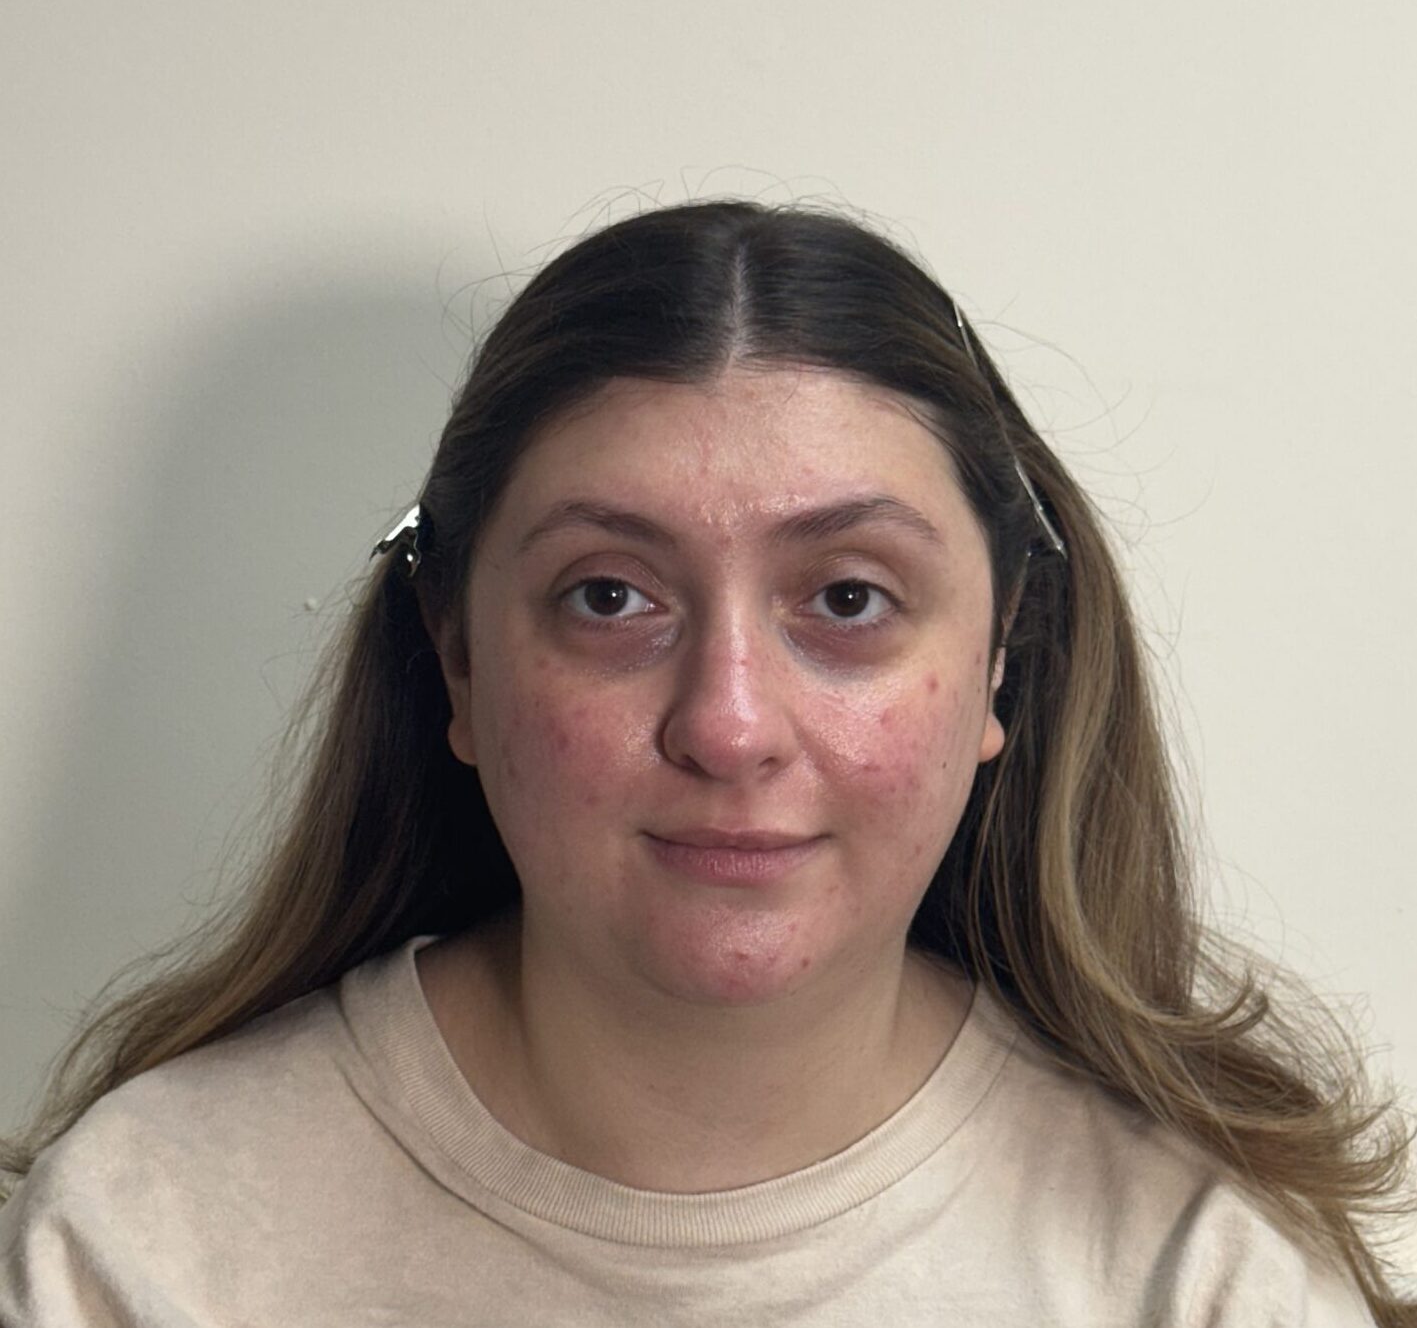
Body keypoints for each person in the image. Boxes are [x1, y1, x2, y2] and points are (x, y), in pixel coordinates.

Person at [0, 200, 1411, 1326]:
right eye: (610, 596)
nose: (728, 724)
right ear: (459, 661)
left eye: (847, 598)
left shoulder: (1202, 1274)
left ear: (1002, 658)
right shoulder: (142, 1242)